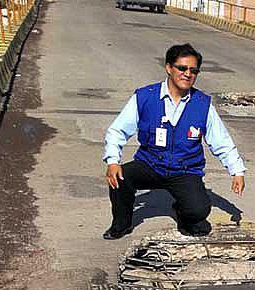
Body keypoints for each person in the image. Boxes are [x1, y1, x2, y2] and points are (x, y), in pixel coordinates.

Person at [102, 43, 246, 240]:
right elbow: (117, 130)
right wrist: (112, 160)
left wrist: (236, 171)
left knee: (199, 212)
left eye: (193, 70)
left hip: (184, 170)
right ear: (169, 68)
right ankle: (121, 224)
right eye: (182, 68)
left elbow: (221, 141)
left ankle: (182, 210)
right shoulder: (145, 97)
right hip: (150, 164)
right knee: (119, 178)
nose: (188, 74)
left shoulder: (202, 104)